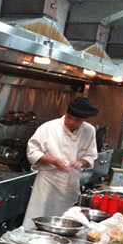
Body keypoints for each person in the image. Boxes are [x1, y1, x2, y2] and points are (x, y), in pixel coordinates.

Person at [21, 96, 99, 229]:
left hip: (70, 183)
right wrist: (54, 161)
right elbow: (32, 152)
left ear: (84, 119)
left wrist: (80, 163)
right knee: (37, 219)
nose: (71, 122)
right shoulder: (49, 127)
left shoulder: (89, 130)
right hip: (47, 181)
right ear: (65, 111)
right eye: (69, 117)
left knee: (67, 220)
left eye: (77, 120)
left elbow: (90, 156)